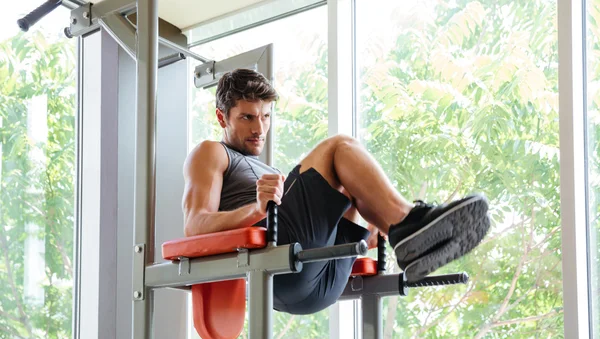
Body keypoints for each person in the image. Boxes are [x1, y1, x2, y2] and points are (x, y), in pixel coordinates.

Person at [182, 69, 489, 315]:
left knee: (352, 182)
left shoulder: (269, 172)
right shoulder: (212, 152)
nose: (259, 129)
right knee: (339, 148)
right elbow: (194, 225)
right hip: (278, 266)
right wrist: (257, 209)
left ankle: (407, 235)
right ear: (222, 118)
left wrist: (372, 230)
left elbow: (356, 228)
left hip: (321, 279)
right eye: (247, 117)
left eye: (265, 116)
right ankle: (409, 227)